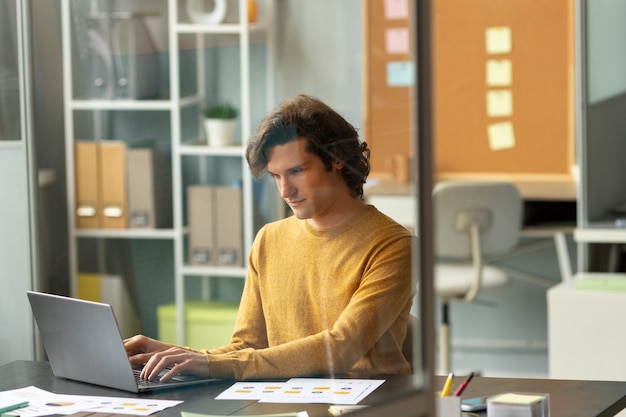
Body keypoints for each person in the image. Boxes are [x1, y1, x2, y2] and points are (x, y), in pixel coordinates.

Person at [124, 94, 414, 381]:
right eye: (276, 176)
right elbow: (246, 348)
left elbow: (341, 349)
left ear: (337, 158)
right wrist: (175, 356)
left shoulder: (394, 245)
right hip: (290, 403)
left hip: (368, 406)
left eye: (296, 171)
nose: (285, 191)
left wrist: (207, 363)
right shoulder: (269, 239)